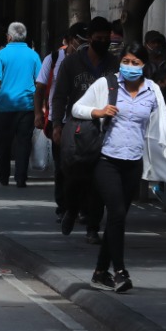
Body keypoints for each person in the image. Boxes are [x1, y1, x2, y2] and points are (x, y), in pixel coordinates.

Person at [72, 41, 166, 293]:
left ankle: (100, 272)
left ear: (145, 66)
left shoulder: (152, 90)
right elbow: (77, 107)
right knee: (116, 214)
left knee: (118, 217)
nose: (130, 67)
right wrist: (98, 111)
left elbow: (164, 121)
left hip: (133, 163)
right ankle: (120, 272)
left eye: (136, 63)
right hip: (106, 159)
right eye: (126, 61)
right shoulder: (107, 85)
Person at [52, 17, 118, 244]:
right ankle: (71, 209)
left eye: (106, 39)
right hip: (76, 128)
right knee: (73, 176)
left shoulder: (114, 64)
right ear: (89, 39)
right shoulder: (71, 63)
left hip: (104, 130)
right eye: (98, 39)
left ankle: (92, 226)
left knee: (98, 180)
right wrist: (57, 125)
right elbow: (59, 96)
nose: (103, 42)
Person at [35, 23, 86, 219]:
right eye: (80, 41)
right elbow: (40, 87)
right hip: (61, 120)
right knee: (62, 166)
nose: (84, 46)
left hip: (86, 120)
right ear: (71, 40)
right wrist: (39, 114)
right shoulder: (54, 59)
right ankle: (64, 206)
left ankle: (82, 207)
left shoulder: (90, 61)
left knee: (84, 165)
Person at [0, 21, 42, 187]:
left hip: (6, 105)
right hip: (27, 105)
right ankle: (21, 177)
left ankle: (3, 176)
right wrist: (41, 105)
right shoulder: (33, 55)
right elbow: (40, 82)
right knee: (23, 142)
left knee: (4, 142)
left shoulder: (1, 55)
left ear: (9, 36)